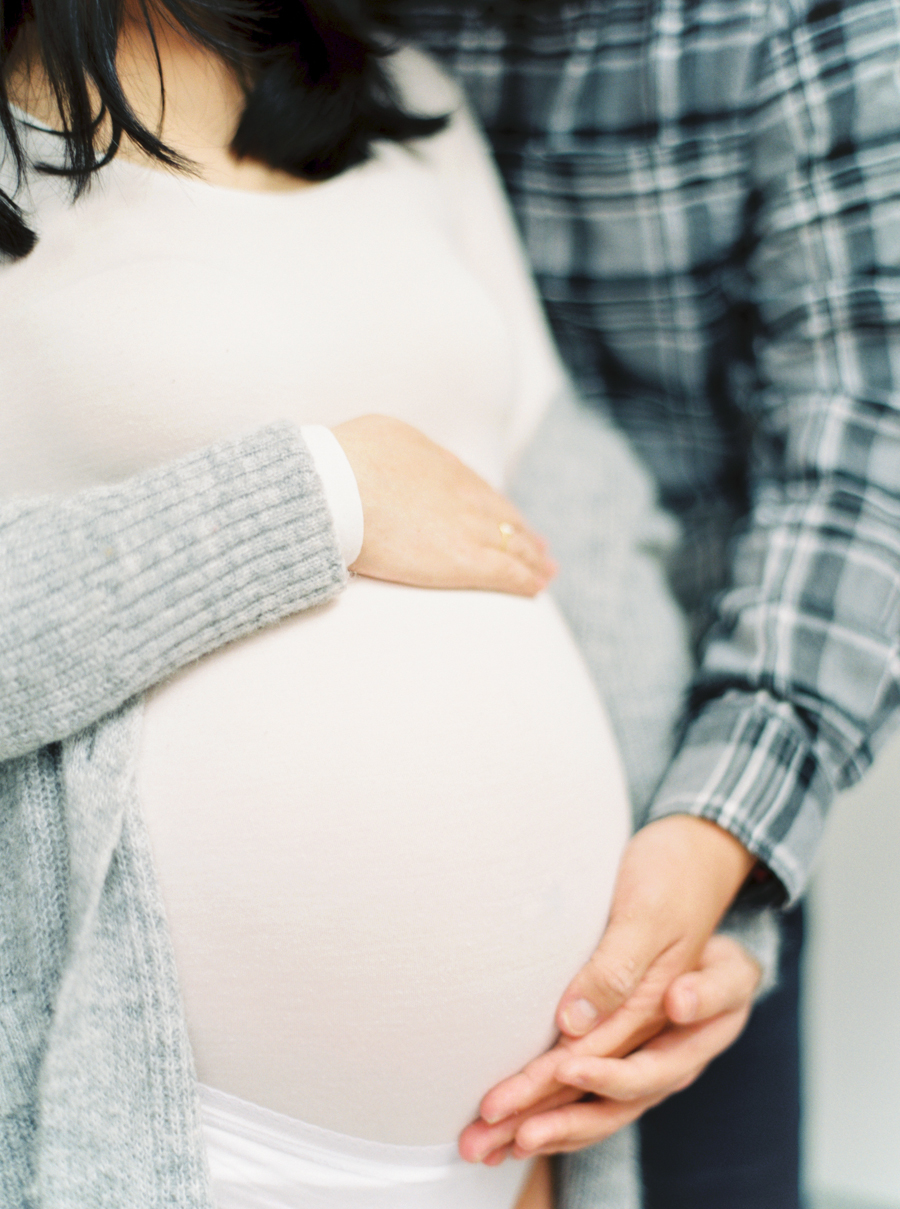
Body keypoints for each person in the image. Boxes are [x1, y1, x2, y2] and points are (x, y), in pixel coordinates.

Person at [0, 1, 773, 1206]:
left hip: (520, 1146)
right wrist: (314, 498)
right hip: (168, 1137)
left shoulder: (403, 98)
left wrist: (684, 934)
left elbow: (592, 542)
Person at [395, 0, 900, 1205]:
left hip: (702, 777)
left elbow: (866, 443)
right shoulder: (319, 31)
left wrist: (721, 843)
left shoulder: (810, 24)